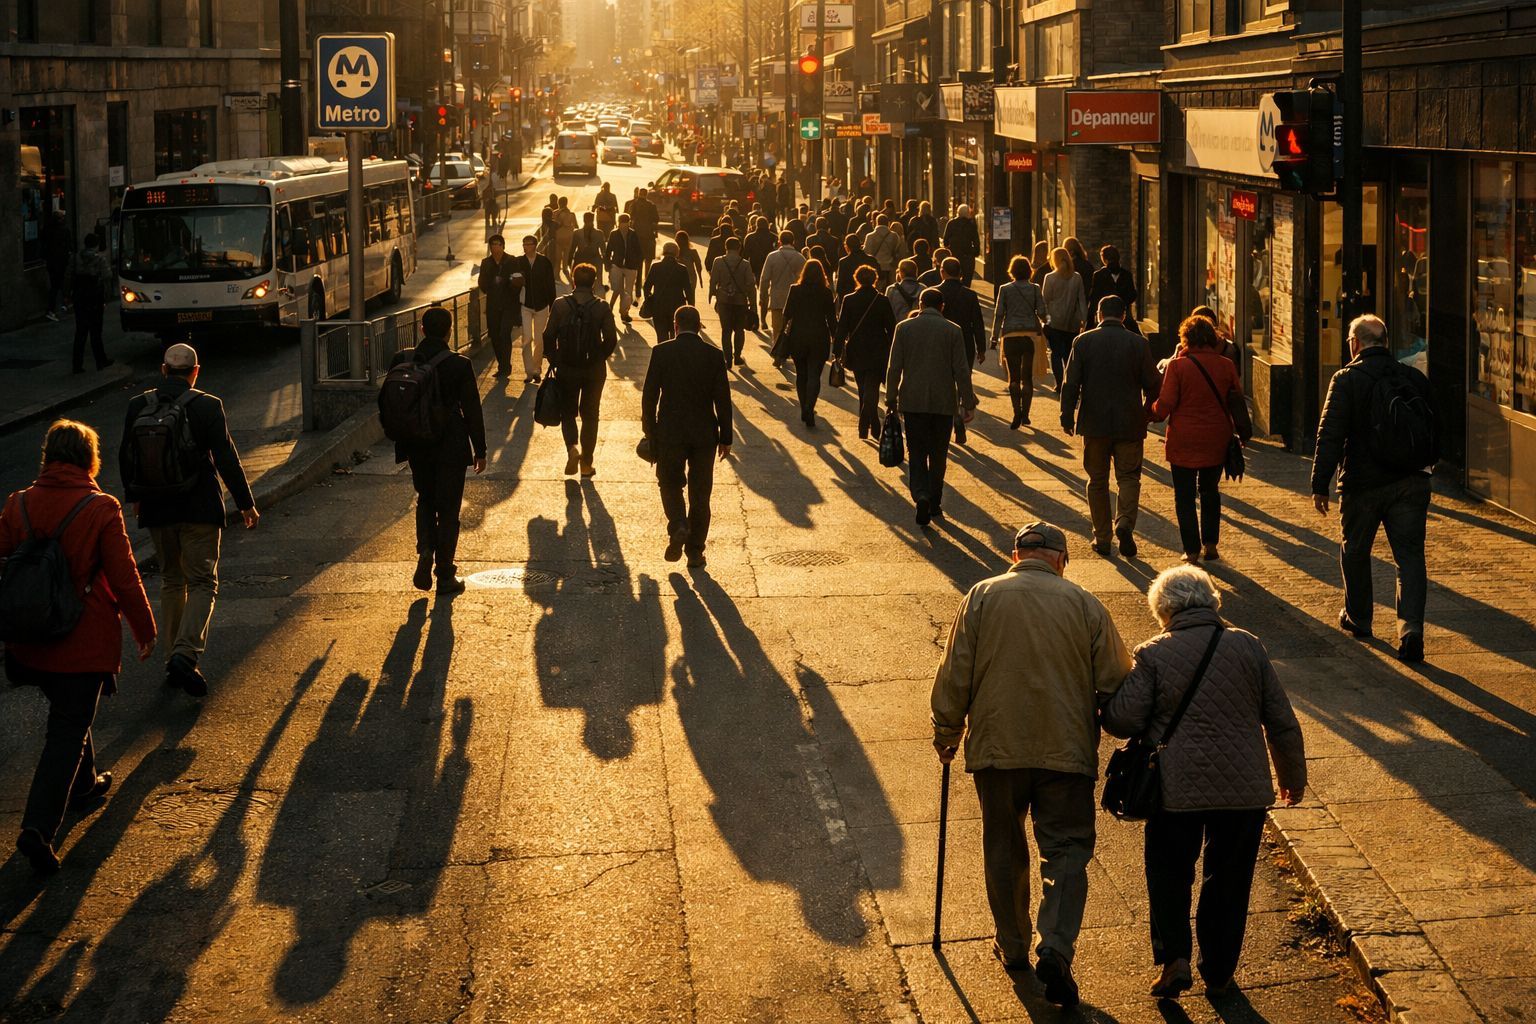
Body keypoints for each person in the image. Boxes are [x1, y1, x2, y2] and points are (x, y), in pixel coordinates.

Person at [931, 521, 1132, 1006]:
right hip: (1066, 751)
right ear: (1062, 559)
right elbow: (1116, 680)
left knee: (1003, 840)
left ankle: (1015, 945)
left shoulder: (982, 595)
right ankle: (1056, 947)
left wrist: (947, 730)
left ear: (1014, 554)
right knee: (1065, 849)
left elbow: (955, 669)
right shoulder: (1085, 604)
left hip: (998, 747)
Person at [1102, 565, 1306, 1000]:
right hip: (1243, 790)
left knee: (1169, 873)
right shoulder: (1248, 645)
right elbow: (1281, 721)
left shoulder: (1154, 653)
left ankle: (1173, 960)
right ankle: (1219, 972)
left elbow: (1121, 720)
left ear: (1163, 610)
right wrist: (1292, 778)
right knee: (1229, 881)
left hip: (1174, 789)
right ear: (1213, 603)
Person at [3, 420, 155, 874]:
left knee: (69, 714)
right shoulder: (100, 508)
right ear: (90, 458)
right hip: (80, 642)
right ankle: (38, 829)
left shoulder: (18, 504)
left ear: (48, 455)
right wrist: (144, 629)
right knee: (67, 730)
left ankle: (85, 785)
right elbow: (125, 577)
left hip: (29, 640)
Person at [118, 343, 256, 696]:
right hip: (199, 509)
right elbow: (226, 457)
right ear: (196, 372)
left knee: (170, 580)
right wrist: (245, 504)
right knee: (202, 582)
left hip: (157, 509)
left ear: (163, 370)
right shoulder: (208, 406)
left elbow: (125, 455)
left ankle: (171, 658)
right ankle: (185, 653)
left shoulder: (138, 406)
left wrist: (135, 498)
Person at [1310, 313, 1437, 663]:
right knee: (1409, 557)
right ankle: (1410, 628)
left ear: (1355, 343)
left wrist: (1320, 483)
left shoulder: (1346, 379)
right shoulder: (1411, 376)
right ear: (1383, 341)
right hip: (1411, 482)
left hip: (1363, 484)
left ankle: (1359, 618)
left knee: (1355, 550)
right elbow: (1434, 424)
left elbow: (1330, 433)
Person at [383, 307, 486, 594]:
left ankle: (425, 549)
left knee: (426, 498)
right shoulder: (459, 365)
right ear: (449, 331)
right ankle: (445, 574)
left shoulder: (402, 360)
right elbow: (472, 409)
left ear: (422, 330)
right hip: (451, 444)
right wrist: (480, 449)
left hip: (417, 443)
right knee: (449, 508)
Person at [1060, 296, 1161, 558]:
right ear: (1124, 315)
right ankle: (1124, 523)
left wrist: (1066, 414)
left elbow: (1071, 382)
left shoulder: (1083, 341)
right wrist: (1148, 410)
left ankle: (1102, 537)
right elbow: (1153, 383)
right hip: (1129, 421)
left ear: (1098, 313)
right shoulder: (1139, 343)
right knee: (1129, 477)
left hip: (1094, 422)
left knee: (1097, 480)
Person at [641, 305, 733, 570]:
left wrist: (650, 432)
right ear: (699, 326)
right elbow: (723, 400)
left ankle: (679, 524)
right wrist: (725, 437)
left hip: (670, 431)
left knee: (669, 484)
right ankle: (695, 551)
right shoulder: (713, 355)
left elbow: (649, 396)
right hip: (704, 433)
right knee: (701, 494)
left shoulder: (662, 352)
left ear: (675, 325)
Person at [1152, 316, 1246, 563]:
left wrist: (1151, 410)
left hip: (1184, 439)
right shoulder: (1226, 365)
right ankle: (1211, 544)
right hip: (1216, 437)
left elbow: (1165, 405)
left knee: (1184, 496)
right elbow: (1237, 398)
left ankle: (1191, 550)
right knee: (1210, 491)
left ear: (1186, 339)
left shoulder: (1178, 366)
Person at [885, 288, 977, 525]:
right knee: (938, 454)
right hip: (943, 402)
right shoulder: (953, 331)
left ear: (921, 303)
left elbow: (894, 367)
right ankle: (935, 501)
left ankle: (921, 494)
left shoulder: (904, 328)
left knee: (916, 452)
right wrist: (968, 401)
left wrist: (891, 397)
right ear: (942, 306)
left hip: (913, 402)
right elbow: (961, 370)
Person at [543, 263, 620, 477]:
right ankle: (587, 463)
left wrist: (555, 359)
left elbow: (548, 335)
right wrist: (598, 357)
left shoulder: (560, 305)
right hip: (594, 371)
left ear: (574, 281)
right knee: (591, 415)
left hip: (567, 367)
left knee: (568, 412)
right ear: (594, 282)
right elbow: (611, 339)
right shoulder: (602, 307)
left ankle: (572, 448)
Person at [835, 264, 897, 440]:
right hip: (879, 349)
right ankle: (872, 424)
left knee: (863, 387)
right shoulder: (882, 300)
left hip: (857, 349)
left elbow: (842, 327)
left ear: (857, 279)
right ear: (875, 280)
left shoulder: (849, 299)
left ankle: (866, 425)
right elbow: (892, 328)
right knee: (872, 387)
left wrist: (837, 350)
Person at [992, 255, 1049, 429]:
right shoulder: (1035, 289)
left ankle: (1016, 411)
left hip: (1010, 335)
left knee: (1014, 377)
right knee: (1027, 378)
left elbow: (999, 314)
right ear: (1029, 271)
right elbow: (1042, 312)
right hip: (1030, 336)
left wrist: (994, 336)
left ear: (1012, 271)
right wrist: (1049, 322)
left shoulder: (1005, 289)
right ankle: (1026, 415)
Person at [780, 259, 838, 429]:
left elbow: (787, 313)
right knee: (814, 375)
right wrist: (837, 340)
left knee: (801, 374)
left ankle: (804, 404)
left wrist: (783, 335)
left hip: (798, 336)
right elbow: (831, 319)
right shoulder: (826, 293)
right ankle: (809, 407)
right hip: (819, 337)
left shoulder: (795, 289)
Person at [510, 235, 557, 384]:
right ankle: (529, 372)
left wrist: (553, 305)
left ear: (535, 245)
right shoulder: (518, 262)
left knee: (539, 338)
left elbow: (551, 284)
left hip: (542, 305)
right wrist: (515, 282)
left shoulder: (544, 262)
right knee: (527, 338)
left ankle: (537, 369)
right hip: (525, 305)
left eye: (528, 244)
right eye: (524, 244)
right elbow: (512, 282)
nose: (525, 246)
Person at [1042, 247, 1088, 391]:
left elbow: (1045, 301)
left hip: (1054, 321)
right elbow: (1082, 300)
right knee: (1069, 354)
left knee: (1056, 353)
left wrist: (1046, 320)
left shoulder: (1050, 277)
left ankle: (1059, 383)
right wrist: (1083, 320)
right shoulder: (1076, 277)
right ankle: (1070, 382)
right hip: (1072, 322)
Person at [709, 235, 758, 368]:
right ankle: (737, 356)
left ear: (726, 247)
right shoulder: (745, 264)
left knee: (726, 330)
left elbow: (713, 280)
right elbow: (750, 285)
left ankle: (727, 359)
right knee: (739, 330)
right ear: (739, 248)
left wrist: (712, 294)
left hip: (723, 300)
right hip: (740, 301)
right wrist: (753, 303)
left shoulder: (718, 261)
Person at [759, 230, 807, 366]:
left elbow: (764, 279)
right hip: (795, 299)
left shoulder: (772, 256)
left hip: (777, 297)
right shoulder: (800, 258)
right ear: (793, 242)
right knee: (792, 329)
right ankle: (788, 352)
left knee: (777, 328)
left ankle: (778, 354)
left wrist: (763, 296)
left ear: (779, 241)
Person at [478, 234, 523, 378]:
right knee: (495, 336)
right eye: (492, 244)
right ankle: (502, 364)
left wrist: (505, 282)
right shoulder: (486, 262)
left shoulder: (512, 261)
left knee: (504, 334)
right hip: (493, 305)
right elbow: (482, 283)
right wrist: (492, 283)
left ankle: (506, 366)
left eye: (497, 244)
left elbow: (518, 280)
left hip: (509, 305)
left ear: (503, 245)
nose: (495, 247)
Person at [71, 233, 112, 373]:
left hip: (79, 298)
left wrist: (67, 294)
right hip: (95, 298)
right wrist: (106, 298)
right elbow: (107, 277)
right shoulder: (99, 259)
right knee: (96, 332)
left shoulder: (76, 258)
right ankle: (100, 361)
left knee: (80, 332)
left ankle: (77, 365)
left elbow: (68, 276)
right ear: (96, 244)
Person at [938, 257, 987, 367]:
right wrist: (981, 349)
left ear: (942, 272)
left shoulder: (935, 293)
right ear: (960, 273)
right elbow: (977, 323)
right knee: (964, 378)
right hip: (965, 341)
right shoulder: (970, 295)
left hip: (940, 342)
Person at [643, 241, 695, 343]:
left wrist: (649, 300)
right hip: (677, 306)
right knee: (675, 336)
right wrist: (691, 307)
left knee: (661, 337)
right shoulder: (682, 269)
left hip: (659, 306)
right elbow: (688, 290)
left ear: (664, 252)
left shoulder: (655, 267)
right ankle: (673, 356)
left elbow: (646, 287)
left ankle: (663, 355)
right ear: (677, 253)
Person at [604, 213, 646, 324]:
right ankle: (610, 307)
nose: (624, 225)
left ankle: (624, 313)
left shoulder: (633, 234)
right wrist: (607, 265)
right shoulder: (614, 234)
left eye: (626, 223)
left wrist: (637, 264)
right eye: (622, 223)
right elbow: (608, 251)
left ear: (629, 222)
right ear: (619, 223)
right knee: (617, 289)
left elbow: (639, 251)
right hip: (617, 265)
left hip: (630, 267)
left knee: (627, 292)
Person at [1088, 245, 1140, 327]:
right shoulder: (1126, 275)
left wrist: (1089, 322)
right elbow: (1132, 294)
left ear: (1104, 259)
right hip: (1123, 317)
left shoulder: (1099, 275)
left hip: (1105, 318)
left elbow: (1094, 298)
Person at [42, 210, 73, 321]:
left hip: (52, 261)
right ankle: (54, 309)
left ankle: (59, 306)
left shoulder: (47, 229)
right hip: (60, 261)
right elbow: (68, 245)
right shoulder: (64, 230)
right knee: (58, 285)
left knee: (56, 285)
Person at [835, 234, 879, 308]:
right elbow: (880, 277)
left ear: (847, 246)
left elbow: (840, 285)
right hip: (870, 297)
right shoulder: (871, 260)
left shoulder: (843, 262)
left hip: (851, 298)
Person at [942, 205, 981, 287]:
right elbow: (976, 241)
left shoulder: (951, 223)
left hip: (954, 255)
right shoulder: (971, 225)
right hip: (967, 256)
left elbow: (945, 240)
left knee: (953, 278)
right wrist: (974, 253)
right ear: (967, 213)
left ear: (958, 213)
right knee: (967, 279)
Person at [630, 186, 661, 289]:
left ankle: (637, 282)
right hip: (648, 236)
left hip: (637, 236)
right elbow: (656, 219)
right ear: (646, 194)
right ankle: (646, 280)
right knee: (648, 260)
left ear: (639, 194)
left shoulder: (634, 204)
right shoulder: (651, 205)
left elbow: (631, 218)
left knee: (638, 261)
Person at [864, 214, 901, 286]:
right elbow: (898, 251)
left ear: (876, 223)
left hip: (876, 267)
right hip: (890, 267)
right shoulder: (894, 235)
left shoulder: (870, 236)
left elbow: (867, 252)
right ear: (888, 223)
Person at [553, 196, 578, 281]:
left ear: (558, 203)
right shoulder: (571, 214)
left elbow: (553, 226)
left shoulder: (555, 213)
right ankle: (568, 275)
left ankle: (556, 278)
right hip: (568, 237)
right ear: (566, 203)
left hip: (558, 238)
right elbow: (575, 226)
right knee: (566, 257)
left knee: (557, 259)